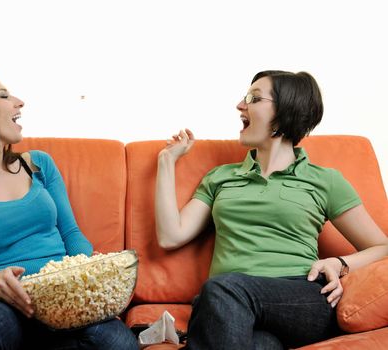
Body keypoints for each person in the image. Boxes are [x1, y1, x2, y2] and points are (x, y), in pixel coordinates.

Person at [155, 70, 388, 349]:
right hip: (228, 307)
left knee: (221, 290)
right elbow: (171, 236)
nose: (240, 106)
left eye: (253, 98)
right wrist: (166, 162)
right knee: (260, 343)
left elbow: (382, 247)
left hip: (300, 297)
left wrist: (340, 263)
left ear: (284, 112)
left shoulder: (325, 180)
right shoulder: (221, 177)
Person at [0, 71, 139, 350]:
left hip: (64, 296)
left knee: (117, 343)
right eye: (4, 96)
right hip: (2, 302)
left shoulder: (37, 165)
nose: (19, 102)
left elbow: (71, 234)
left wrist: (88, 272)